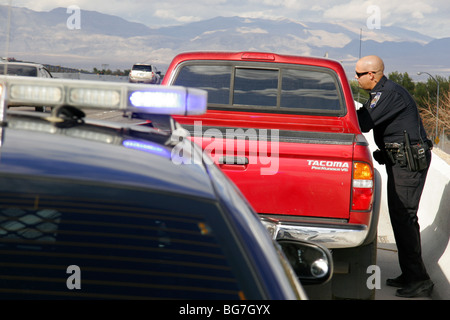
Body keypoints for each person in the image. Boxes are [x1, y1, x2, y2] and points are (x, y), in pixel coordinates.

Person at [355, 55, 434, 298]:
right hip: (400, 162)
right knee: (401, 218)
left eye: (358, 75)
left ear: (371, 75)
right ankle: (409, 273)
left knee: (405, 218)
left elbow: (362, 122)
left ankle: (419, 280)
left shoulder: (387, 93)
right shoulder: (383, 93)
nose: (356, 79)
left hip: (408, 164)